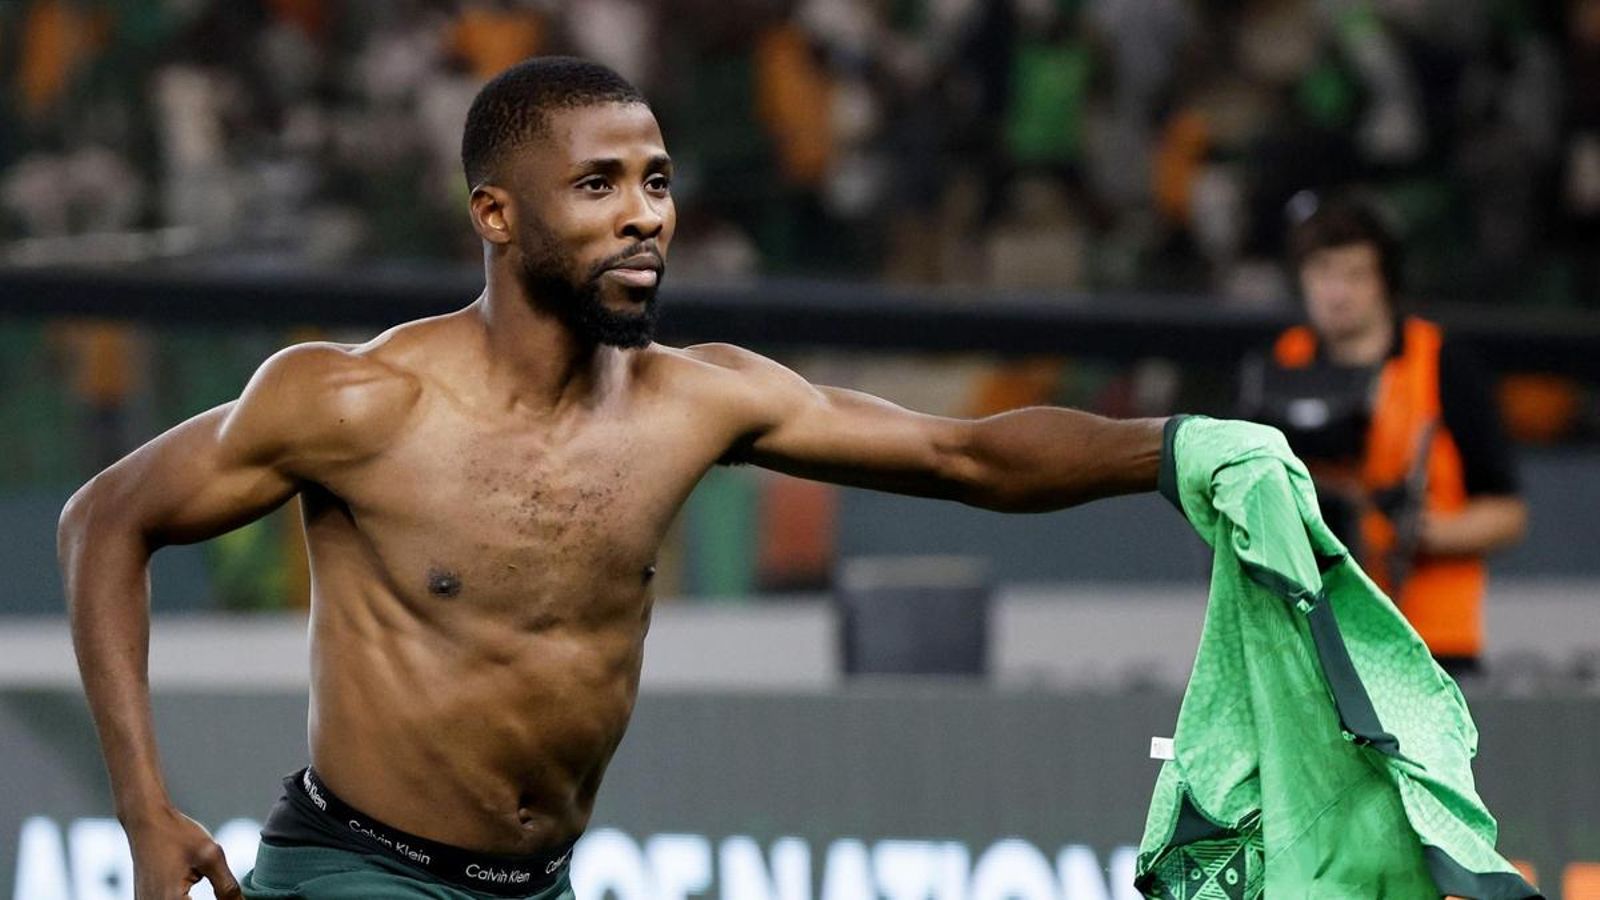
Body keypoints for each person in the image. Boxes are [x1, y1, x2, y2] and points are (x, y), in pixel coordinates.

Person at [60, 57, 1248, 900]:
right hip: (358, 872)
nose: (644, 218)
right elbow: (101, 522)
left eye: (657, 182)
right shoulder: (357, 402)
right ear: (495, 213)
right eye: (599, 187)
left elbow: (964, 453)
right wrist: (142, 809)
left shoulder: (700, 399)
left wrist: (1176, 448)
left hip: (542, 882)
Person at [1238, 192, 1528, 677]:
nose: (1337, 292)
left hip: (1428, 642)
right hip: (1311, 640)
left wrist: (1418, 531)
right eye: (1323, 273)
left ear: (1384, 283)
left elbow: (1508, 514)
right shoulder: (1276, 366)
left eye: (1355, 275)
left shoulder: (1442, 363)